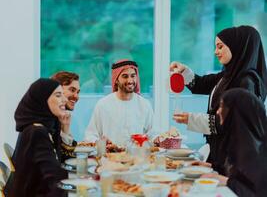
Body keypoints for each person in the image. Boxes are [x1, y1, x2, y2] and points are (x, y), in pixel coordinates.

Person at [170, 25, 267, 174]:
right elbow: (201, 84)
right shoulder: (227, 75)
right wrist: (184, 71)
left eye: (220, 47)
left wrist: (191, 119)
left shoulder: (246, 82)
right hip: (219, 154)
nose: (216, 52)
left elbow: (230, 122)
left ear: (236, 47)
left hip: (232, 160)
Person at [5, 78, 73, 197]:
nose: (64, 99)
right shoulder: (37, 132)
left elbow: (60, 162)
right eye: (58, 95)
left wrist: (65, 128)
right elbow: (57, 179)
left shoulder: (40, 126)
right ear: (42, 100)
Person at [201, 88, 267, 197]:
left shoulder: (257, 152)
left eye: (222, 106)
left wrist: (225, 181)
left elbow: (253, 193)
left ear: (236, 112)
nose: (218, 111)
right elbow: (234, 172)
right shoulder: (237, 140)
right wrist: (210, 166)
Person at [84, 59, 154, 146]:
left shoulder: (144, 105)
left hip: (137, 157)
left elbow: (152, 134)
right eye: (125, 76)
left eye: (133, 76)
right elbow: (90, 135)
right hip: (109, 158)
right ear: (116, 80)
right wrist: (101, 143)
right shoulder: (103, 105)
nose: (130, 81)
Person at [51, 71, 80, 148]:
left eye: (78, 92)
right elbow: (62, 157)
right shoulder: (45, 122)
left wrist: (65, 129)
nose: (76, 96)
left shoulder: (60, 117)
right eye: (72, 90)